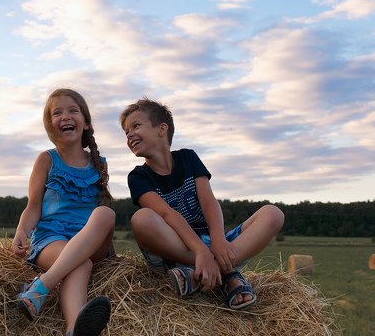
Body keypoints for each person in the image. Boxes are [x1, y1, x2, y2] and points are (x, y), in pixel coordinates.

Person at [119, 98, 284, 310]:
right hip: (174, 251)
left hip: (213, 245)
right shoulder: (138, 176)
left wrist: (217, 240)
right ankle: (227, 274)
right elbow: (166, 214)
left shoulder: (188, 158)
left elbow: (208, 201)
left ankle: (199, 275)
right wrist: (200, 252)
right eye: (126, 132)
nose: (129, 134)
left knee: (273, 214)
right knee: (141, 219)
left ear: (162, 129)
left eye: (136, 126)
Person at [12, 88, 115, 336]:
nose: (65, 116)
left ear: (86, 122)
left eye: (72, 111)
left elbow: (99, 208)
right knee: (79, 264)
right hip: (53, 238)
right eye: (57, 112)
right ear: (50, 125)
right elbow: (34, 206)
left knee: (106, 214)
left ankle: (39, 288)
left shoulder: (99, 164)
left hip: (89, 240)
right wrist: (22, 231)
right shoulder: (47, 159)